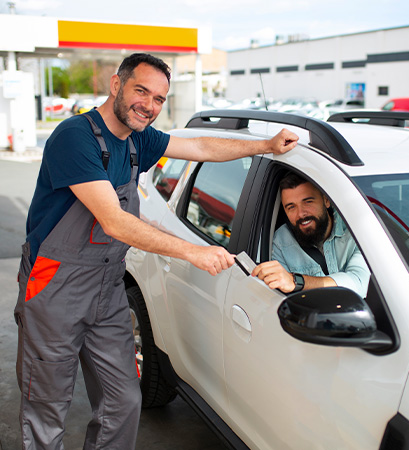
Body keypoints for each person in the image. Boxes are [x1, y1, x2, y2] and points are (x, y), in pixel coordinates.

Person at [15, 53, 298, 450]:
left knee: (123, 401)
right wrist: (192, 251)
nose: (149, 105)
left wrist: (264, 145)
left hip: (106, 287)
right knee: (47, 407)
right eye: (141, 91)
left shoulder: (139, 139)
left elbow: (200, 145)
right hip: (55, 286)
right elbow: (114, 221)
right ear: (116, 85)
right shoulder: (75, 137)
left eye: (159, 99)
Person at [251, 172, 369, 297]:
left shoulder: (356, 232)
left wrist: (296, 281)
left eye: (308, 202)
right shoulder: (281, 241)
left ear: (326, 200)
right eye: (291, 207)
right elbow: (282, 297)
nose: (301, 214)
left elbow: (360, 283)